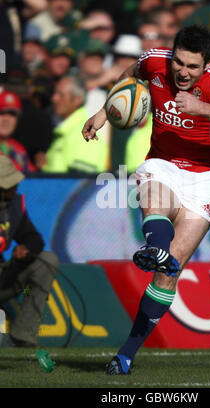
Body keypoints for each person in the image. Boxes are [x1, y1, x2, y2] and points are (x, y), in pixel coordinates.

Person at [82, 24, 210, 375]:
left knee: (169, 270)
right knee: (154, 185)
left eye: (193, 66)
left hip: (206, 177)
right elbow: (131, 72)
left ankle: (127, 353)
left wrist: (201, 108)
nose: (183, 72)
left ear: (207, 64)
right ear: (172, 54)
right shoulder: (155, 61)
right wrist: (104, 112)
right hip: (163, 162)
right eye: (179, 62)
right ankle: (155, 244)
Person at [0, 156, 59, 347]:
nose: (14, 188)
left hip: (5, 276)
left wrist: (24, 251)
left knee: (46, 260)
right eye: (9, 185)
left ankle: (23, 336)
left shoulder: (14, 206)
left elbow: (34, 238)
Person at [43, 75, 109, 173]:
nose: (54, 98)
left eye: (61, 95)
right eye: (54, 93)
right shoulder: (65, 131)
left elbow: (81, 185)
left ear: (78, 100)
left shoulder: (84, 134)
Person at [0, 89, 36, 173]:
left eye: (12, 114)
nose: (6, 119)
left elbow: (33, 179)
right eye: (1, 113)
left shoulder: (18, 149)